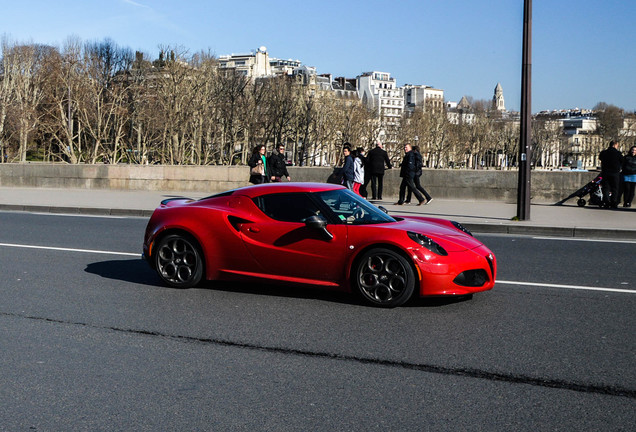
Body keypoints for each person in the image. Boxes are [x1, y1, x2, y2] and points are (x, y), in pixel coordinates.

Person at [599, 140, 623, 208]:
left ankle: (606, 202)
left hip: (605, 172)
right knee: (615, 188)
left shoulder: (604, 153)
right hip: (615, 173)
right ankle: (613, 202)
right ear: (615, 145)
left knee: (606, 188)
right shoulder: (618, 153)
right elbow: (622, 161)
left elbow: (600, 158)